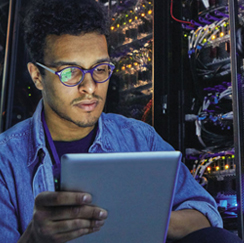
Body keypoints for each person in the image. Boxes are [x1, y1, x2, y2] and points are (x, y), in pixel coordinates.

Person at [0, 0, 242, 242]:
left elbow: (206, 215)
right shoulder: (6, 159)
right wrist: (33, 238)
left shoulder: (139, 139)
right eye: (70, 72)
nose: (90, 87)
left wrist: (143, 218)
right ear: (37, 77)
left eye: (100, 68)